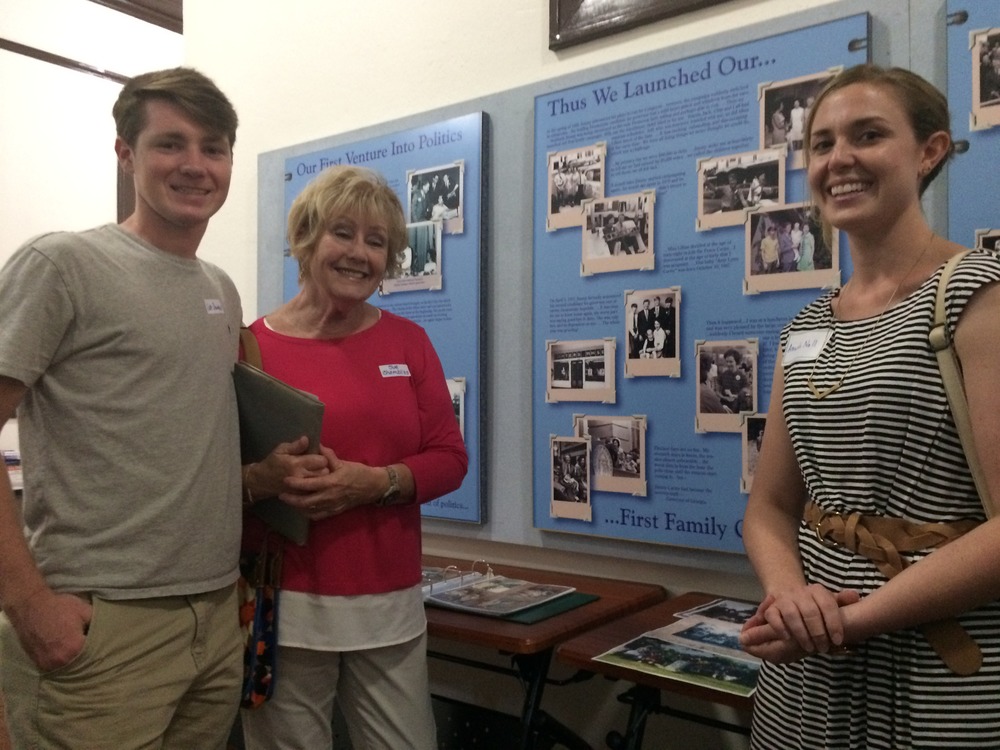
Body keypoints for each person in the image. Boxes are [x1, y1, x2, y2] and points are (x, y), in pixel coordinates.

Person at [740, 64, 1000, 749]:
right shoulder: (805, 327)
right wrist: (791, 598)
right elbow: (770, 505)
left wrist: (851, 621)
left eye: (869, 135)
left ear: (929, 151)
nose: (840, 160)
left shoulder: (977, 297)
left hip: (938, 665)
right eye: (822, 144)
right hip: (810, 668)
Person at [0, 67, 243, 749]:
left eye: (214, 147)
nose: (196, 165)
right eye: (172, 144)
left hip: (215, 616)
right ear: (126, 153)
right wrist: (28, 605)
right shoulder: (62, 265)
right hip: (101, 624)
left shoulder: (219, 287)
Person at [239, 164, 468, 750]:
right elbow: (214, 475)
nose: (359, 253)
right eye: (343, 233)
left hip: (387, 601)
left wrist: (377, 482)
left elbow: (449, 457)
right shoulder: (249, 346)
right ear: (307, 238)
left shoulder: (407, 342)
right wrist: (264, 480)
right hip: (282, 600)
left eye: (377, 241)